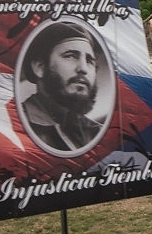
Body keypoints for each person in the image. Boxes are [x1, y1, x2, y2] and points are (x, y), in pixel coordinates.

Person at [21, 22, 104, 154]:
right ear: (40, 67)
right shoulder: (16, 122)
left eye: (89, 60)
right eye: (70, 56)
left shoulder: (99, 132)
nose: (83, 68)